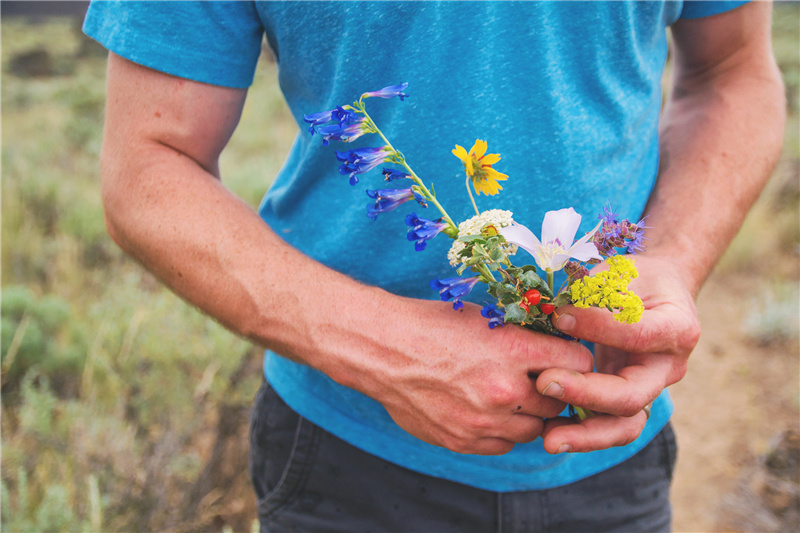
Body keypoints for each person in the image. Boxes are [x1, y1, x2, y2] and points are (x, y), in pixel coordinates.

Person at [83, 1, 784, 531]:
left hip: (613, 465)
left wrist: (671, 261)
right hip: (345, 460)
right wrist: (385, 349)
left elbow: (734, 72)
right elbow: (146, 166)